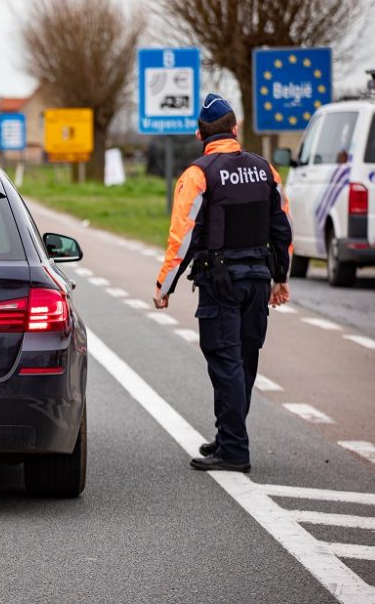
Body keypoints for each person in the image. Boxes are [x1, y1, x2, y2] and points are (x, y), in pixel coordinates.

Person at [152, 94, 292, 473]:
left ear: (200, 134)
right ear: (235, 129)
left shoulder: (199, 174)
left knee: (225, 361)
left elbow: (183, 237)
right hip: (258, 281)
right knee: (244, 360)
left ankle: (233, 449)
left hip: (221, 282)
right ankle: (229, 436)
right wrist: (281, 277)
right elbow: (282, 227)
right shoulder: (266, 171)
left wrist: (165, 285)